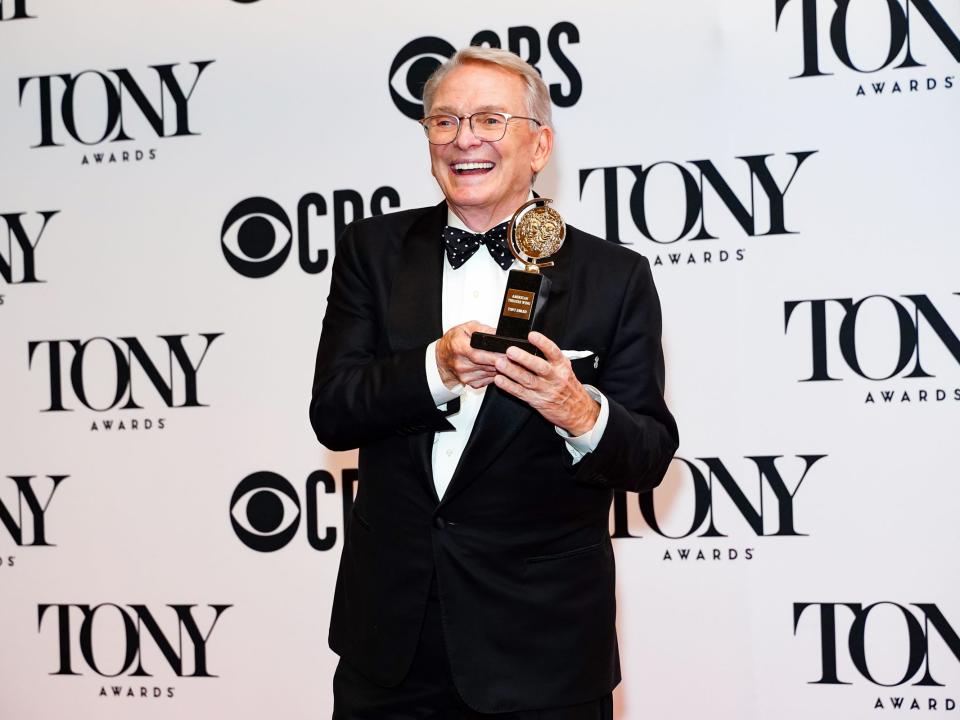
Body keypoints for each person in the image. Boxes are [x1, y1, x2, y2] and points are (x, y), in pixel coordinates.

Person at [310, 46, 678, 720]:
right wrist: (436, 370)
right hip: (390, 648)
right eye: (443, 122)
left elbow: (649, 455)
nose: (464, 139)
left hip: (542, 649)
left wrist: (577, 410)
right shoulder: (372, 250)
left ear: (539, 146)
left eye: (488, 119)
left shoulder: (614, 276)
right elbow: (333, 412)